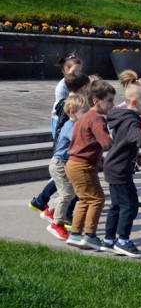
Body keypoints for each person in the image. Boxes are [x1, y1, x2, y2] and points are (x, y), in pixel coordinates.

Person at [102, 71, 141, 258]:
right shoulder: (131, 121)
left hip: (116, 167)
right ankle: (123, 240)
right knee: (130, 205)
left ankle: (108, 239)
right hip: (119, 170)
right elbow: (139, 138)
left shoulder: (121, 117)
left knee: (116, 205)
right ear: (134, 102)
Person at [29, 71, 91, 225]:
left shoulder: (73, 105)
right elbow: (62, 129)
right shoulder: (71, 106)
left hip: (67, 157)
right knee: (68, 191)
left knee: (71, 189)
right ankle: (58, 221)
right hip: (63, 157)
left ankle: (48, 208)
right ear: (83, 88)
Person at [65, 79, 115, 251]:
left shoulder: (84, 117)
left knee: (84, 200)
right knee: (97, 199)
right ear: (96, 101)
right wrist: (119, 139)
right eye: (109, 100)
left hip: (73, 164)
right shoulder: (97, 119)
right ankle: (90, 236)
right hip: (83, 166)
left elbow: (86, 142)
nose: (112, 105)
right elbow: (106, 144)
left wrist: (99, 160)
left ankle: (75, 234)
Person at [46, 94, 90, 241]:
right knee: (67, 194)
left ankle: (50, 209)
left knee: (69, 193)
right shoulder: (71, 127)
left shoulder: (75, 125)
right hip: (59, 164)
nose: (87, 115)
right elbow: (80, 142)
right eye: (84, 112)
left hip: (64, 164)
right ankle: (56, 224)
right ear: (72, 112)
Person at [50, 52, 82, 136]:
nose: (78, 74)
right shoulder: (61, 87)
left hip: (73, 116)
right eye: (75, 71)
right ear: (66, 69)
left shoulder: (80, 82)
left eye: (80, 71)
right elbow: (63, 107)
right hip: (60, 117)